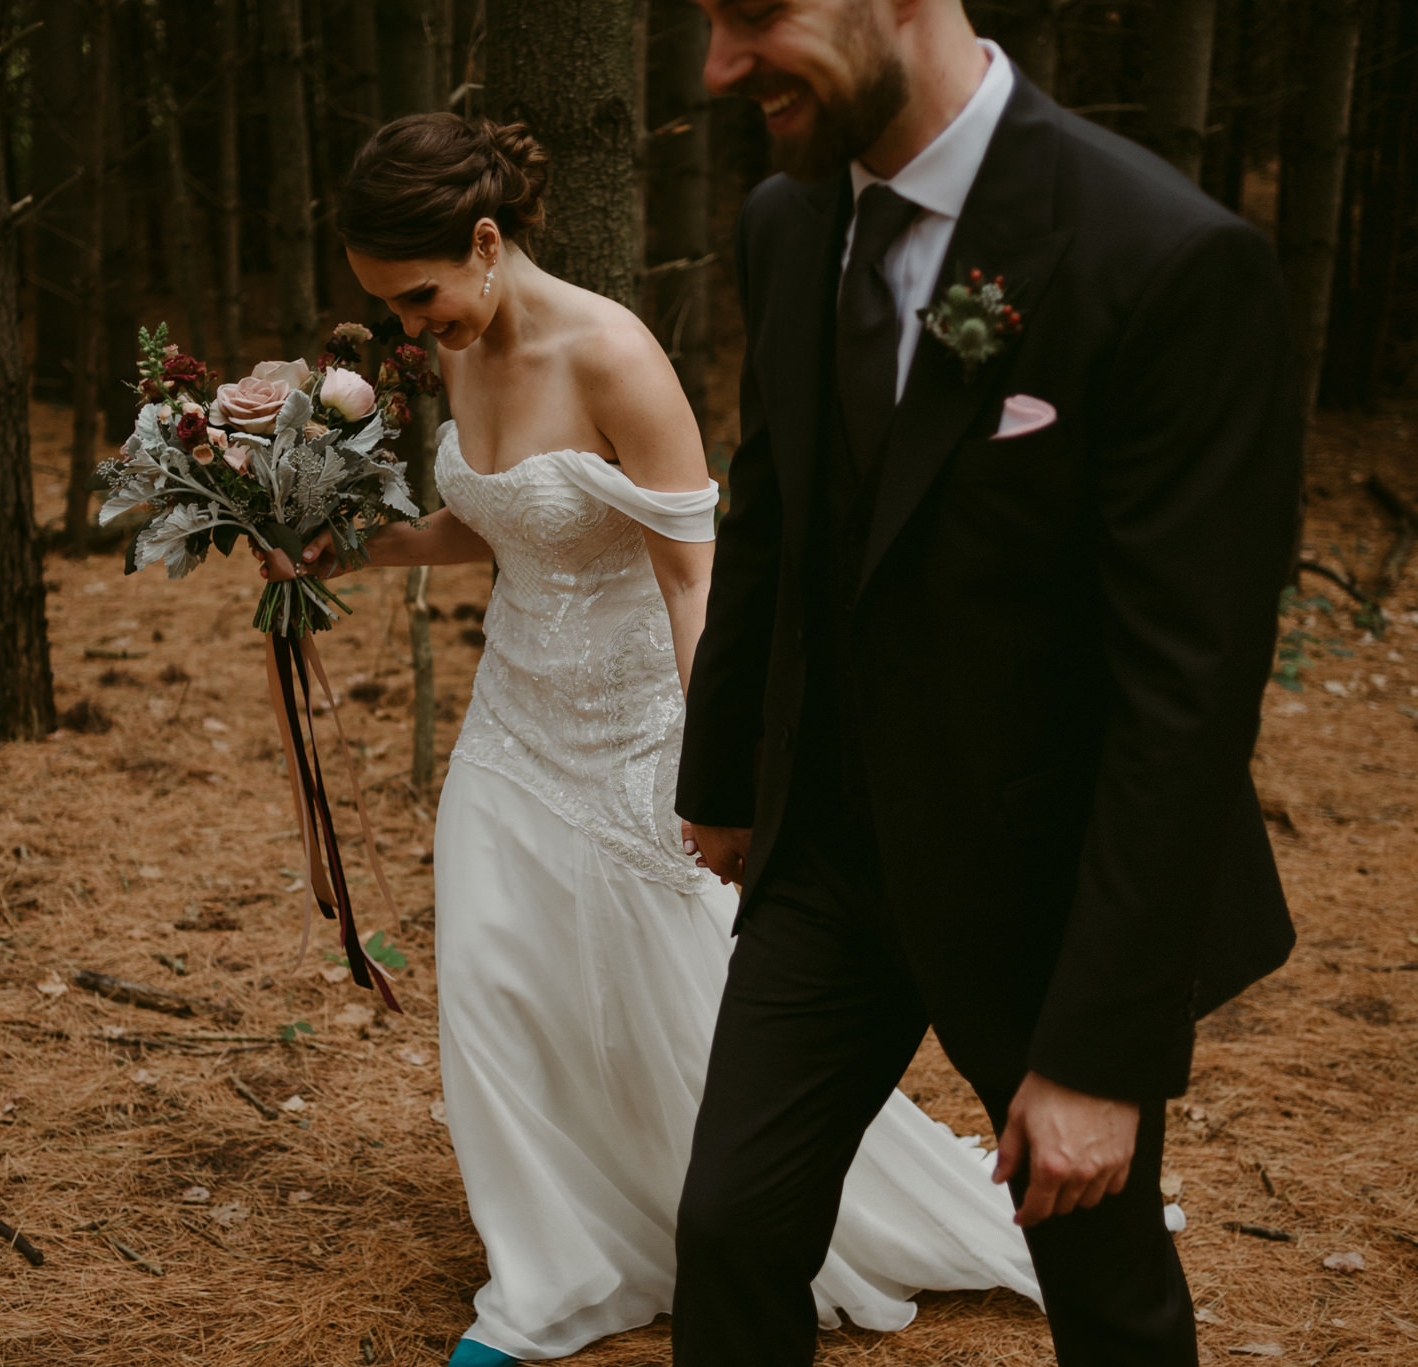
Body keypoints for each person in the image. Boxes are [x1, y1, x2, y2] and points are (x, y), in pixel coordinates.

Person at [260, 112, 1039, 1366]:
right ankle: (549, 1271)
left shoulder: (612, 351)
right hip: (512, 721)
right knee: (497, 985)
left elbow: (693, 575)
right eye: (388, 310)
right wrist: (366, 540)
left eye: (420, 297)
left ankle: (724, 1216)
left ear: (485, 239)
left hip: (638, 723)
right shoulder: (455, 349)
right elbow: (509, 520)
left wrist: (713, 764)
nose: (411, 330)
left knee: (675, 996)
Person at [673, 2, 1305, 1365]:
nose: (719, 69)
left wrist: (1100, 1053)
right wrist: (724, 779)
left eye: (752, 16)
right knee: (727, 1228)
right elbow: (775, 517)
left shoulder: (1169, 259)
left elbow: (1186, 697)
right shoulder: (789, 223)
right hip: (832, 860)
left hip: (1048, 887)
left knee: (1105, 1287)